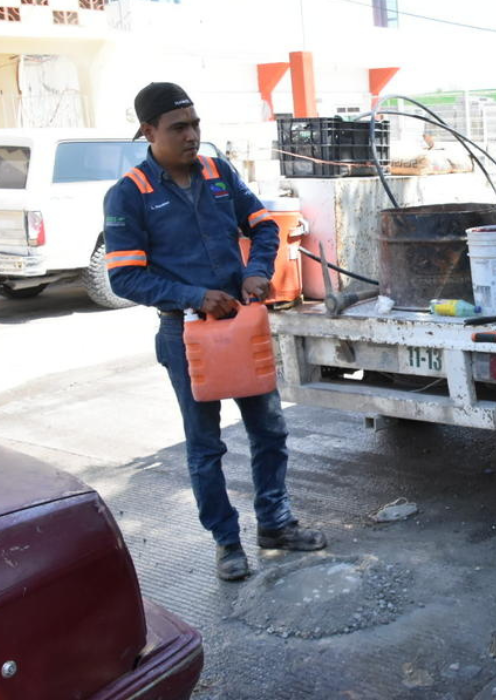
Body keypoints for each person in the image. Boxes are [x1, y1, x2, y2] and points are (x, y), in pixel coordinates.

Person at [104, 82, 326, 581]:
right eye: (178, 127)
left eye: (195, 124)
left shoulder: (217, 171)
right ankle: (226, 542)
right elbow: (124, 276)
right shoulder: (130, 194)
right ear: (148, 131)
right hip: (186, 337)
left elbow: (264, 224)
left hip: (242, 328)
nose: (192, 135)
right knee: (205, 447)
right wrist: (193, 295)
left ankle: (275, 523)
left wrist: (257, 271)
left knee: (269, 430)